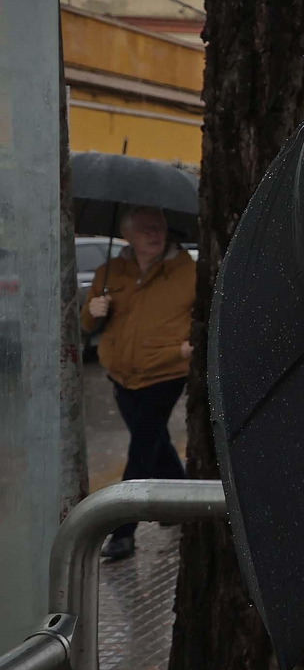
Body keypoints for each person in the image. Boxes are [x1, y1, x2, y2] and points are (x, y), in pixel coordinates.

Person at [81, 206, 195, 561]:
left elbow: (207, 312)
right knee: (155, 441)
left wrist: (190, 345)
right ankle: (181, 505)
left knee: (142, 448)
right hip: (121, 374)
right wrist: (93, 311)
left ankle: (122, 532)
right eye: (145, 228)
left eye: (158, 227)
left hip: (166, 371)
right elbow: (87, 325)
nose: (154, 233)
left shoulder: (187, 271)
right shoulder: (110, 271)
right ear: (127, 234)